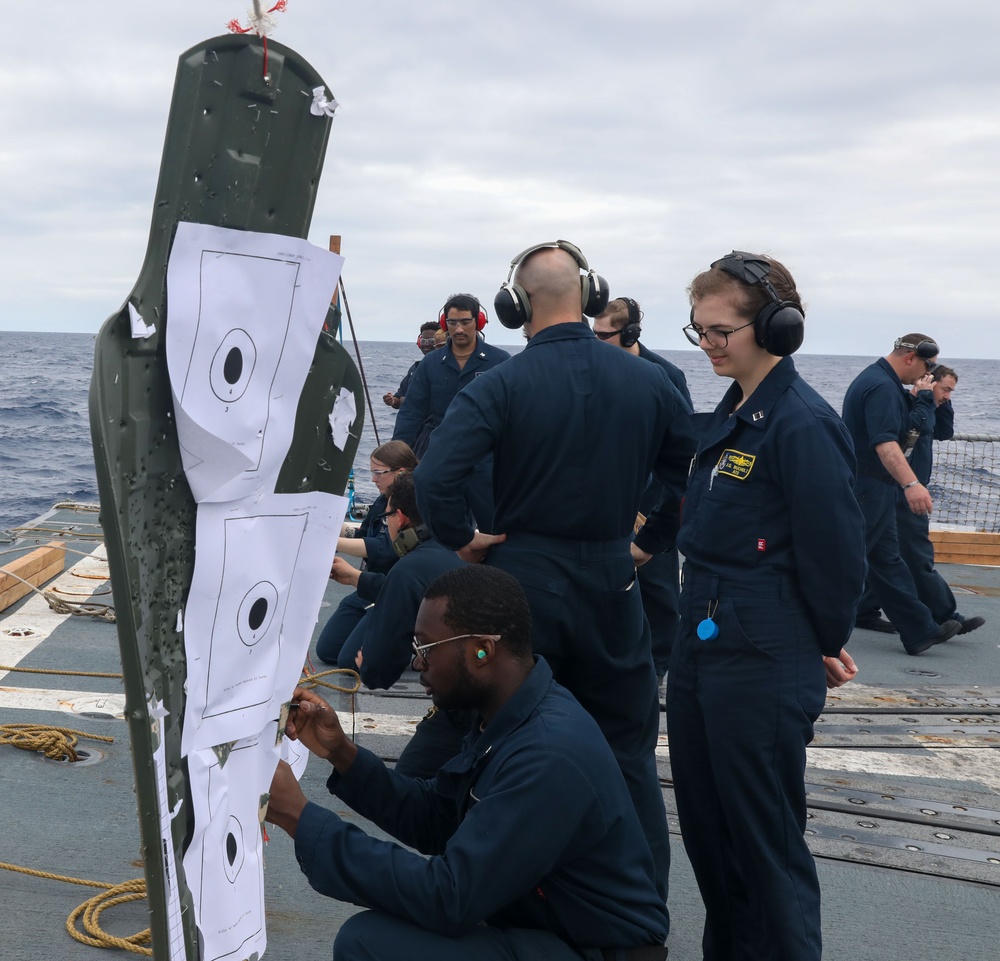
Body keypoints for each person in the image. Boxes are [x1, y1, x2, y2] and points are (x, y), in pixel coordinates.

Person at [413, 240, 697, 904]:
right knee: (628, 755)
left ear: (515, 306)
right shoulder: (651, 381)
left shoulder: (500, 383)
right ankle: (640, 917)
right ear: (589, 294)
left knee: (502, 744)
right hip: (612, 580)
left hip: (523, 583)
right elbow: (691, 472)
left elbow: (436, 479)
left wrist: (466, 542)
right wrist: (650, 539)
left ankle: (490, 895)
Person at [265, 565, 669, 961]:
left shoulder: (548, 755)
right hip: (554, 927)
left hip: (596, 948)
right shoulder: (511, 713)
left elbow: (449, 897)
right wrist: (342, 754)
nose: (417, 663)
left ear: (482, 650)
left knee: (369, 943)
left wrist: (301, 819)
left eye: (424, 647)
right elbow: (438, 817)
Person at [670, 251, 864, 961]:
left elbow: (838, 555)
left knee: (763, 847)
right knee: (712, 843)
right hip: (703, 647)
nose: (711, 344)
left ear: (779, 328)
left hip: (759, 657)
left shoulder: (801, 424)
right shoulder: (733, 415)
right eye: (700, 331)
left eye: (723, 330)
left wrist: (817, 640)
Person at [332, 471, 468, 776]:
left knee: (406, 783)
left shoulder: (407, 569)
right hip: (491, 690)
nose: (388, 523)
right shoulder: (454, 552)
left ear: (402, 518)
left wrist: (369, 663)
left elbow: (377, 673)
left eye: (387, 516)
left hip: (463, 709)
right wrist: (360, 579)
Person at [842, 335, 963, 654]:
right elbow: (887, 444)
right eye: (927, 367)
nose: (928, 375)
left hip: (875, 487)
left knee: (886, 560)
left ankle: (919, 630)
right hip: (869, 486)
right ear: (911, 357)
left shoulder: (880, 381)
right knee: (843, 559)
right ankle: (801, 625)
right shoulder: (882, 387)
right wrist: (912, 485)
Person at [593, 297, 693, 683]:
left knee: (657, 590)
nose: (596, 342)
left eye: (604, 336)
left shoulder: (666, 376)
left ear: (630, 332)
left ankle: (657, 669)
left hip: (651, 503)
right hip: (604, 497)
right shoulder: (595, 370)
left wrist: (656, 508)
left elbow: (682, 454)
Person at [855, 366, 985, 635]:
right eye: (945, 389)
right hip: (903, 489)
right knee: (916, 555)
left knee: (883, 554)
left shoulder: (931, 405)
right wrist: (924, 398)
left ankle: (864, 610)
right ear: (927, 383)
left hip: (909, 488)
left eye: (952, 391)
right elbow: (915, 429)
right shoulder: (911, 406)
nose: (948, 395)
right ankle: (946, 614)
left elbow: (943, 431)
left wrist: (941, 402)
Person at [392, 293, 510, 531]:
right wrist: (396, 457)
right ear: (445, 324)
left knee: (493, 524)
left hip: (485, 456)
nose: (458, 329)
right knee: (428, 522)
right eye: (453, 322)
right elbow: (412, 413)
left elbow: (513, 415)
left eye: (465, 322)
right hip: (435, 452)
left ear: (479, 322)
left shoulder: (501, 362)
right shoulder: (430, 364)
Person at [314, 441, 417, 666]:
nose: (373, 479)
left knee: (349, 662)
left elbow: (385, 548)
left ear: (400, 473)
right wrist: (325, 526)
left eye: (379, 473)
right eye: (372, 472)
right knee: (327, 650)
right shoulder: (382, 502)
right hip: (367, 588)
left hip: (391, 592)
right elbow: (363, 535)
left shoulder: (416, 506)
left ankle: (409, 640)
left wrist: (327, 541)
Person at [383, 322, 440, 409]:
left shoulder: (444, 368)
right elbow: (400, 395)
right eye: (423, 341)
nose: (427, 344)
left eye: (431, 341)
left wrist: (405, 401)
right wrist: (393, 401)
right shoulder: (415, 368)